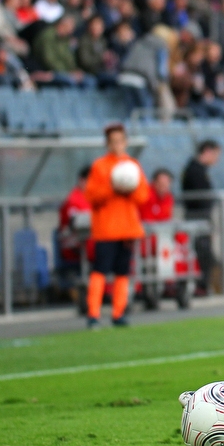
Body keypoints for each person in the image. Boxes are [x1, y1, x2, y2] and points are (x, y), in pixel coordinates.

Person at [84, 123, 150, 328]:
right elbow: (92, 196)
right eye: (113, 142)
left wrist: (129, 188)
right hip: (106, 229)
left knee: (123, 271)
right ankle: (94, 314)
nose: (117, 145)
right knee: (100, 270)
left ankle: (118, 313)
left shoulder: (133, 165)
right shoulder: (100, 166)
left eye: (121, 141)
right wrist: (112, 187)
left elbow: (143, 196)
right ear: (107, 144)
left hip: (128, 228)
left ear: (126, 142)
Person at [182, 140, 220, 293]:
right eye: (216, 155)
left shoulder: (197, 169)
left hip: (201, 219)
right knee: (202, 255)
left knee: (205, 255)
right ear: (207, 151)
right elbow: (198, 199)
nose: (217, 159)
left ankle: (203, 286)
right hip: (197, 220)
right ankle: (201, 287)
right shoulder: (194, 170)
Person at [56, 165, 93, 298]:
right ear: (81, 180)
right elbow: (73, 225)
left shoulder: (93, 197)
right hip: (74, 244)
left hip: (91, 242)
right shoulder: (74, 199)